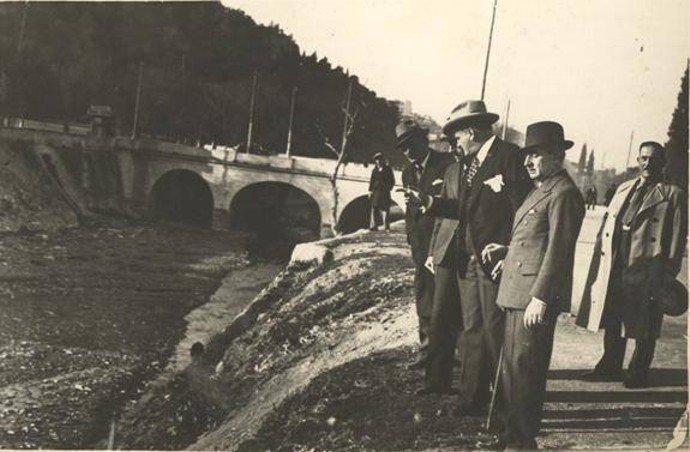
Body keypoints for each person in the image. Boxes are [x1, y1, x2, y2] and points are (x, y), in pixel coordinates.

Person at [414, 100, 532, 414]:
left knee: (494, 331)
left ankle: (505, 404)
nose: (455, 142)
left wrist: (510, 248)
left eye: (457, 136)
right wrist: (431, 203)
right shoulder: (469, 164)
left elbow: (523, 208)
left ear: (471, 132)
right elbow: (464, 210)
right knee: (472, 330)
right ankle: (472, 398)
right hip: (466, 258)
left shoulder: (509, 157)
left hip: (493, 260)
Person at [483, 121, 585, 450]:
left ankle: (522, 441)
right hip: (516, 293)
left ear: (556, 156)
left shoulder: (563, 193)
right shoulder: (542, 189)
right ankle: (511, 435)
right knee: (512, 370)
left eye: (536, 155)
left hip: (531, 297)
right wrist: (508, 251)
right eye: (527, 155)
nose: (528, 161)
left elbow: (559, 250)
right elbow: (534, 241)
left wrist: (541, 297)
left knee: (526, 371)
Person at [576, 141, 687, 388]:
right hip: (617, 262)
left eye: (653, 159)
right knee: (614, 316)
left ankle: (638, 371)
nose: (647, 163)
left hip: (649, 267)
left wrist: (668, 273)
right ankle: (610, 366)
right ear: (637, 160)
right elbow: (608, 224)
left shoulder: (673, 194)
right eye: (643, 158)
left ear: (663, 163)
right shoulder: (624, 188)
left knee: (646, 323)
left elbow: (677, 238)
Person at [397, 118, 453, 369]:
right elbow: (410, 210)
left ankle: (451, 354)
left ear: (423, 140)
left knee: (446, 298)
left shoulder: (446, 165)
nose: (407, 152)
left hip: (443, 243)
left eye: (410, 145)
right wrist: (411, 237)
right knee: (424, 296)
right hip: (420, 244)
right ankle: (427, 350)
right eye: (402, 148)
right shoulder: (407, 173)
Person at [419, 135, 463, 394]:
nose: (453, 148)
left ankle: (471, 387)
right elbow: (440, 215)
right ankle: (436, 381)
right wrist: (432, 251)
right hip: (446, 251)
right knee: (440, 317)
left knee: (469, 324)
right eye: (451, 144)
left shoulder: (488, 170)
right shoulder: (452, 171)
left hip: (472, 252)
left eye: (457, 142)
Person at [368, 152, 395, 231]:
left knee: (385, 208)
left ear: (382, 160)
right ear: (375, 161)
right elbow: (372, 181)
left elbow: (392, 180)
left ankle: (386, 226)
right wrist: (370, 190)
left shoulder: (388, 169)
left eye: (380, 159)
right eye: (377, 160)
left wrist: (389, 188)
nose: (378, 161)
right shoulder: (374, 170)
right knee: (374, 207)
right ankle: (374, 226)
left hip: (384, 191)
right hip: (376, 191)